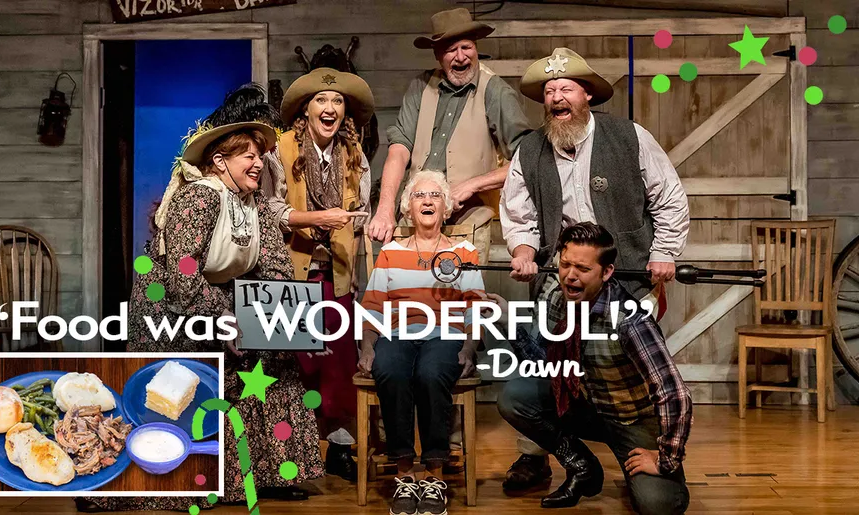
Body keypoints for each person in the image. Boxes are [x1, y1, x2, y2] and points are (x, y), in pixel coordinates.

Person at [77, 117, 322, 512]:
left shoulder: (255, 203)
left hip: (219, 297)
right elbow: (182, 276)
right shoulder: (199, 198)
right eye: (248, 155)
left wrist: (295, 325)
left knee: (276, 360)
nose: (258, 163)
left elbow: (274, 266)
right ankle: (133, 484)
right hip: (170, 304)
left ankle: (260, 476)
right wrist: (226, 317)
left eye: (260, 155)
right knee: (175, 388)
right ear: (220, 161)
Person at [498, 47, 690, 492]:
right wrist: (524, 250)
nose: (556, 97)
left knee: (625, 367)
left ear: (586, 95)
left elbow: (669, 198)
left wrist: (664, 252)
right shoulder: (529, 149)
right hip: (559, 281)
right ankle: (545, 457)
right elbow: (518, 214)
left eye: (566, 88)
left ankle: (645, 439)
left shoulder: (630, 137)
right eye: (549, 91)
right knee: (542, 367)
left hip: (623, 279)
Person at [496, 222, 692, 514]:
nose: (570, 276)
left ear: (607, 272)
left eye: (583, 269)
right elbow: (544, 366)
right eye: (565, 265)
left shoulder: (629, 320)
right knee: (516, 397)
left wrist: (665, 458)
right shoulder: (557, 302)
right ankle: (582, 466)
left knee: (658, 505)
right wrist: (505, 321)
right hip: (587, 408)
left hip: (631, 420)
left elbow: (674, 393)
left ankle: (655, 478)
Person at [358, 170, 484, 515]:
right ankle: (404, 474)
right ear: (407, 208)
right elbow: (372, 308)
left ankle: (433, 476)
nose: (427, 201)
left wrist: (469, 347)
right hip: (398, 333)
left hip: (446, 334)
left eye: (435, 196)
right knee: (391, 370)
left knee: (431, 374)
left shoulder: (464, 252)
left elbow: (475, 307)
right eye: (418, 196)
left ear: (445, 208)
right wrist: (368, 347)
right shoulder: (390, 252)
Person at [270, 67, 374, 482]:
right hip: (289, 271)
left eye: (337, 102)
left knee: (337, 364)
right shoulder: (279, 151)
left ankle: (341, 447)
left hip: (337, 272)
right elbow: (271, 209)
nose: (329, 108)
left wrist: (348, 226)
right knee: (292, 365)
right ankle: (288, 450)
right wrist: (316, 219)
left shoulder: (354, 154)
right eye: (321, 101)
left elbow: (362, 209)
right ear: (305, 110)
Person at [368, 7, 533, 264]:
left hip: (467, 223)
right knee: (405, 293)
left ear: (476, 47)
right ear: (437, 55)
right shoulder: (420, 87)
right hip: (415, 219)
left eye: (466, 47)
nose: (460, 57)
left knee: (461, 301)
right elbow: (399, 150)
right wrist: (386, 207)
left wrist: (472, 185)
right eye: (450, 50)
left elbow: (527, 160)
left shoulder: (495, 91)